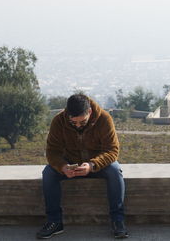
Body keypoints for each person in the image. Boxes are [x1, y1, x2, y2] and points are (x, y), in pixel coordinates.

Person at [37, 94, 128, 239]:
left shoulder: (104, 119)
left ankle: (118, 221)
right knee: (48, 173)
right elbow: (52, 152)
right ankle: (54, 221)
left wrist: (92, 165)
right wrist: (63, 167)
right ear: (68, 115)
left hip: (97, 164)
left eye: (82, 122)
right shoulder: (58, 121)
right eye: (74, 123)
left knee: (115, 171)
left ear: (90, 112)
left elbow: (112, 150)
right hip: (71, 165)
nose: (78, 125)